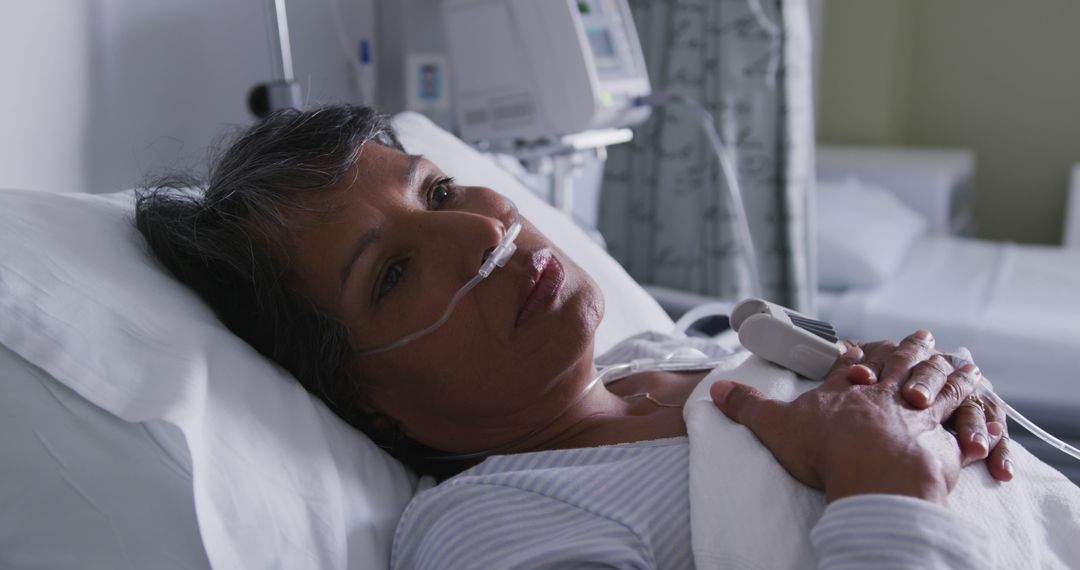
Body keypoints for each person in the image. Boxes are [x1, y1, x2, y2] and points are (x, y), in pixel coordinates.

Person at [136, 105, 1013, 568]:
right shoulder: (496, 531)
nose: (478, 234)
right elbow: (889, 489)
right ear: (359, 401)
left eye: (438, 192)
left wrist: (935, 406)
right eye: (393, 275)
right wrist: (888, 494)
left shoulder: (665, 358)